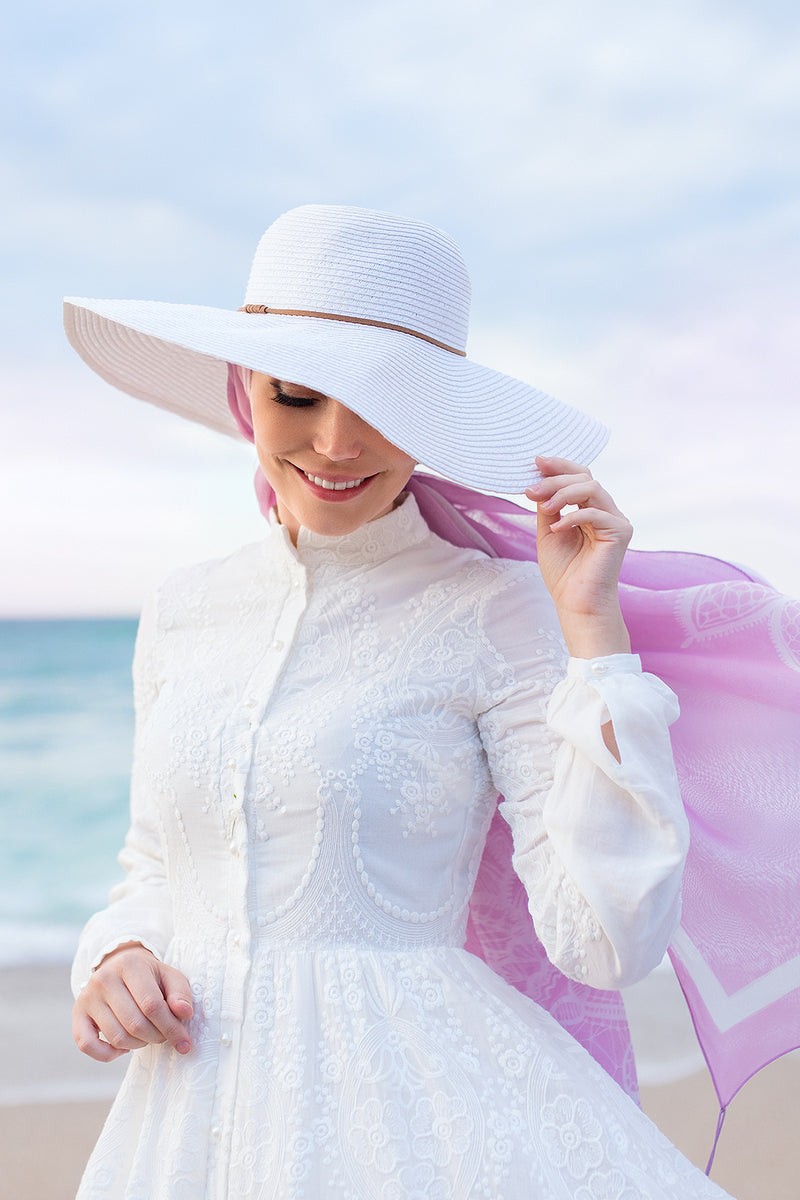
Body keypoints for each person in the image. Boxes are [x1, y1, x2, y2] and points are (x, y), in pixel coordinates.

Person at [64, 205, 734, 1198]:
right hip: (186, 1125)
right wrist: (116, 953)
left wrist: (592, 632)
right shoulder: (181, 608)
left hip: (418, 1130)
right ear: (246, 388)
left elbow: (601, 942)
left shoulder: (500, 611)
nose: (337, 444)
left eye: (386, 404)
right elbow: (160, 861)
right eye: (300, 394)